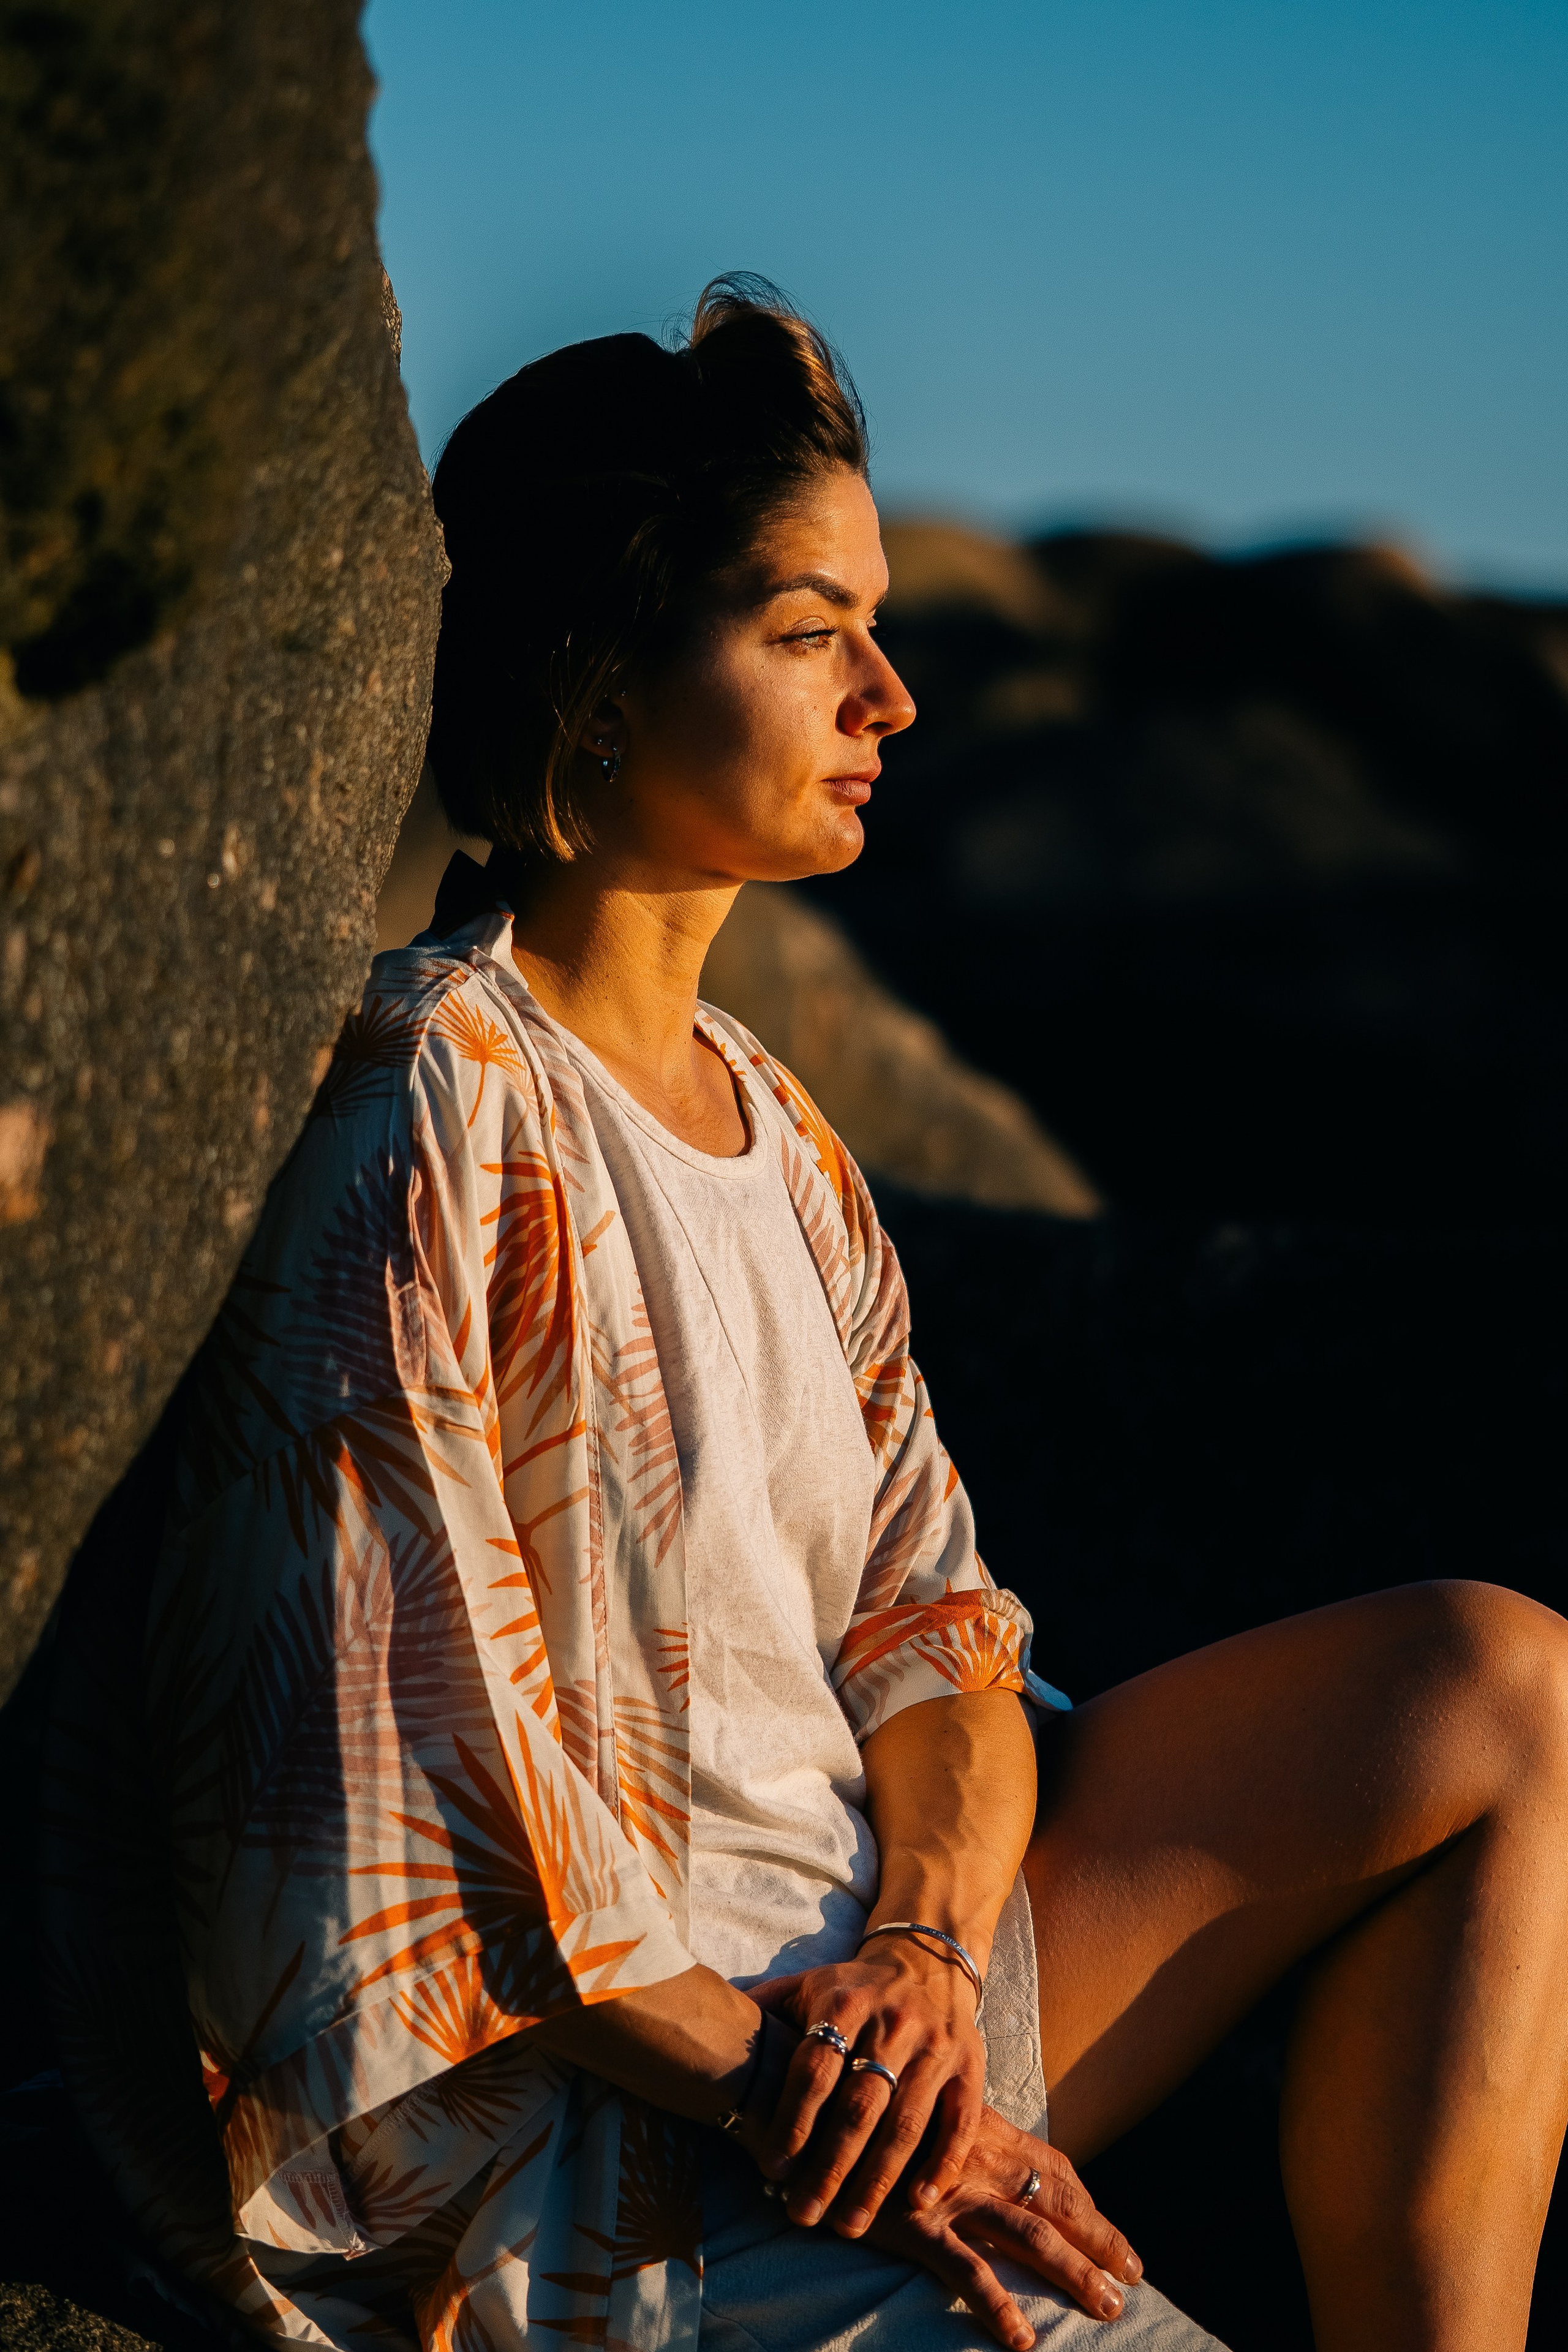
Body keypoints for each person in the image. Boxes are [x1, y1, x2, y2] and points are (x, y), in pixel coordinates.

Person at [43, 278, 1568, 2352]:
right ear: (599, 682)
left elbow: (938, 1628)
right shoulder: (431, 1115)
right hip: (610, 2120)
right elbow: (423, 1810)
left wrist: (930, 1963)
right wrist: (826, 2093)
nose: (893, 695)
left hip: (875, 1997)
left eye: (876, 616)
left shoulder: (782, 1128)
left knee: (1505, 1687)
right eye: (802, 630)